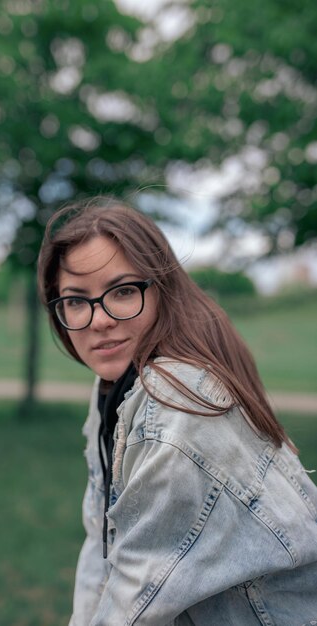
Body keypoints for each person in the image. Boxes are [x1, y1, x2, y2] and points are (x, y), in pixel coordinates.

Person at [38, 198, 317, 626]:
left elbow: (135, 598)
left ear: (161, 290)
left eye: (123, 291)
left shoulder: (175, 404)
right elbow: (101, 545)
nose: (99, 321)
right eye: (76, 300)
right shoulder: (115, 387)